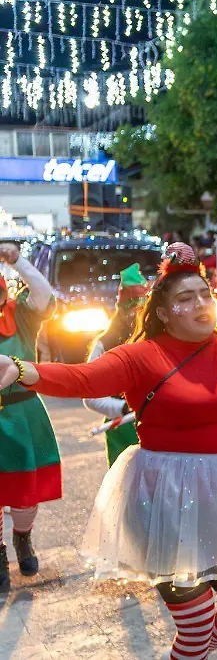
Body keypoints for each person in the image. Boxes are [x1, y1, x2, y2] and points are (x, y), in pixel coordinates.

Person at [0, 243, 217, 657]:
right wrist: (25, 370)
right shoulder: (142, 356)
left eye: (205, 295)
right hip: (164, 493)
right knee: (195, 626)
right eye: (185, 298)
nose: (201, 303)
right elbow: (82, 379)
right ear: (164, 313)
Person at [0, 241, 56, 591]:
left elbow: (43, 292)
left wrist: (18, 260)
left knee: (23, 490)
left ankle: (23, 538)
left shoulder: (20, 312)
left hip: (20, 411)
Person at [83, 264, 149, 467]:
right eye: (133, 309)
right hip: (123, 429)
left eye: (143, 309)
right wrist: (122, 407)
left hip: (159, 426)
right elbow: (90, 396)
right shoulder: (105, 344)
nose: (137, 316)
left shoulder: (161, 340)